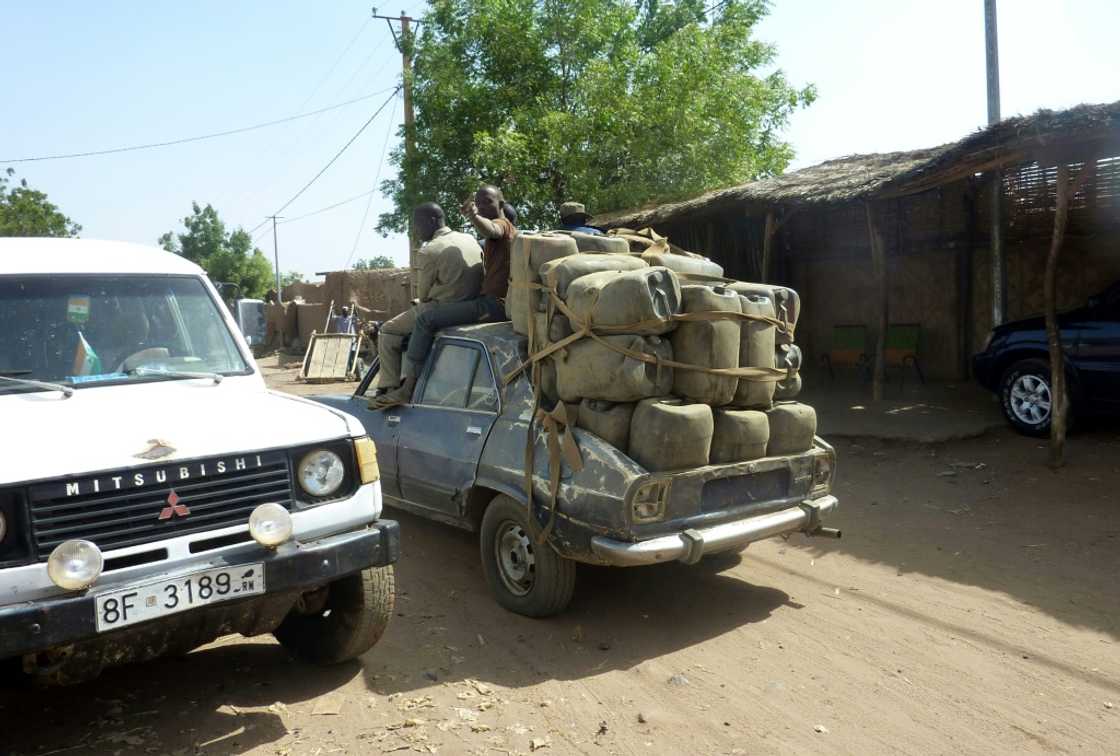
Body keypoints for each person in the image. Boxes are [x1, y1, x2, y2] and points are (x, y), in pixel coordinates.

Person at [372, 185, 514, 409]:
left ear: (502, 204)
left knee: (423, 320)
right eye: (478, 203)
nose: (481, 206)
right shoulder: (470, 239)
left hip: (491, 305)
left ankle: (405, 389)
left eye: (487, 201)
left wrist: (473, 215)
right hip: (481, 300)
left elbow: (423, 295)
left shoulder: (501, 227)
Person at [372, 202, 483, 399]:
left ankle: (389, 387)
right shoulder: (469, 238)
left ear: (431, 221)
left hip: (443, 307)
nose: (416, 230)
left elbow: (423, 295)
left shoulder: (430, 250)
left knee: (388, 331)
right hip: (474, 304)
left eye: (417, 224)